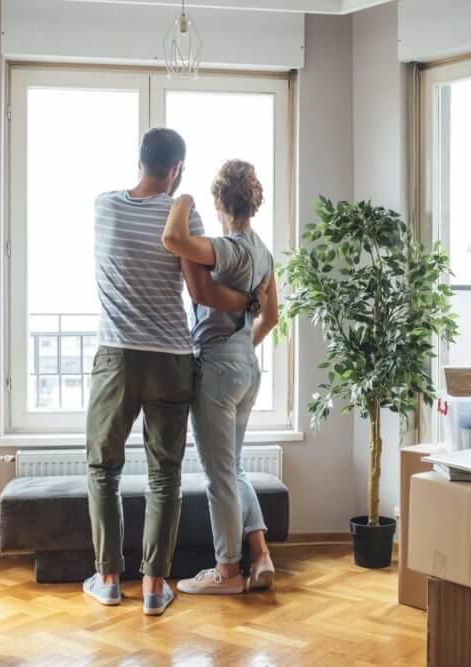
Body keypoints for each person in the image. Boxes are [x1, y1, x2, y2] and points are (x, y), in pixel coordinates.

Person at [82, 129, 262, 616]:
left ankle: (108, 578)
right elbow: (202, 293)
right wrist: (248, 303)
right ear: (177, 169)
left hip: (117, 357)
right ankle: (155, 588)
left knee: (104, 469)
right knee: (165, 474)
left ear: (139, 160)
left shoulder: (103, 206)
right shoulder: (185, 216)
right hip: (172, 358)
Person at [161, 159, 279, 595]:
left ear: (218, 200)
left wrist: (184, 197)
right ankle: (259, 556)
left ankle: (227, 572)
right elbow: (273, 315)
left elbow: (174, 239)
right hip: (247, 368)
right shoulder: (263, 250)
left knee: (218, 476)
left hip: (217, 366)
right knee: (233, 466)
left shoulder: (229, 247)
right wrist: (244, 348)